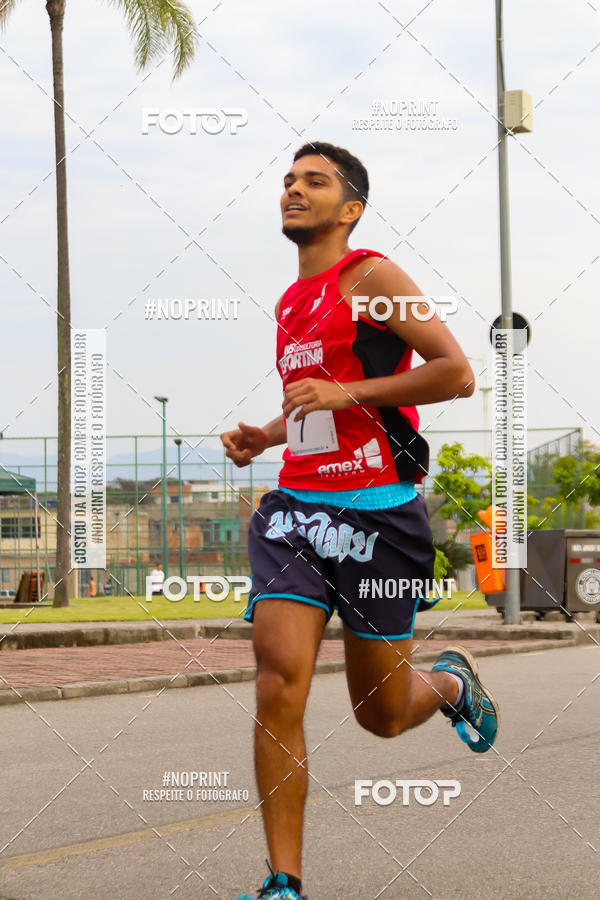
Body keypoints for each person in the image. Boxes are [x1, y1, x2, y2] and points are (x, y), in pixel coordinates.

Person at [221, 142, 500, 900]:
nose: (293, 189)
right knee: (278, 679)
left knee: (380, 715)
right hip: (295, 513)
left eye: (314, 181)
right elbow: (316, 404)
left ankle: (446, 683)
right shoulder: (287, 304)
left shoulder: (373, 276)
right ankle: (284, 882)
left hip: (379, 517)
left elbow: (456, 372)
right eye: (286, 179)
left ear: (350, 209)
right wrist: (268, 435)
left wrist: (349, 395)